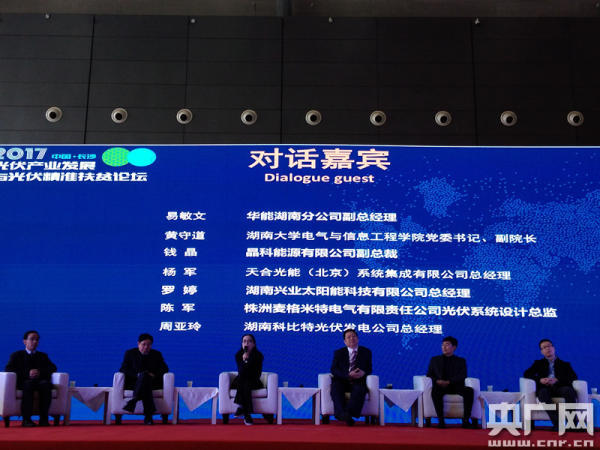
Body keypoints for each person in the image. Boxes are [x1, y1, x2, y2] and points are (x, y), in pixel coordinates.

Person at [5, 330, 57, 427]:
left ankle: (44, 419)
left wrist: (39, 372)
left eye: (37, 340)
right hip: (24, 382)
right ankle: (26, 420)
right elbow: (9, 369)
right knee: (28, 385)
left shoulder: (43, 356)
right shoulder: (17, 355)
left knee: (45, 385)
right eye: (32, 339)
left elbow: (53, 368)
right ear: (25, 341)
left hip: (39, 381)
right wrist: (27, 373)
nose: (35, 342)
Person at [523, 339, 577, 430]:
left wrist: (557, 380)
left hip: (560, 387)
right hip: (545, 388)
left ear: (553, 348)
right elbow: (527, 374)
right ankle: (558, 423)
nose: (547, 348)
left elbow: (573, 377)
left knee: (568, 390)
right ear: (541, 351)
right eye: (544, 347)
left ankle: (572, 424)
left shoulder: (565, 364)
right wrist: (540, 380)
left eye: (549, 346)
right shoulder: (538, 363)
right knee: (543, 393)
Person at [426, 336, 476, 429]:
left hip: (455, 386)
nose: (444, 347)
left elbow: (463, 375)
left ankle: (465, 420)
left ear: (454, 347)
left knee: (469, 391)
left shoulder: (461, 361)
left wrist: (449, 381)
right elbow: (429, 374)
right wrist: (437, 381)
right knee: (435, 392)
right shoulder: (435, 360)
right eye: (442, 345)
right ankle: (441, 421)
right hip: (440, 386)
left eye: (447, 345)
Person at [119, 333, 168, 425]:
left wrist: (153, 375)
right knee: (144, 377)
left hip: (152, 382)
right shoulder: (130, 353)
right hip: (134, 382)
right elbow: (123, 369)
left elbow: (165, 369)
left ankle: (135, 399)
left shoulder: (156, 354)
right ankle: (148, 416)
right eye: (144, 344)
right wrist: (138, 375)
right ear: (138, 344)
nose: (146, 347)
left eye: (149, 345)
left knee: (146, 378)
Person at [330, 328, 372, 426]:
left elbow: (369, 368)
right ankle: (344, 414)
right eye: (348, 337)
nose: (352, 338)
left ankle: (346, 414)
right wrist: (348, 375)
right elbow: (334, 369)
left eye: (354, 336)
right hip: (342, 380)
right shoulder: (339, 352)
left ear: (358, 339)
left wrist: (363, 373)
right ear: (345, 341)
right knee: (336, 388)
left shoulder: (366, 352)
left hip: (358, 380)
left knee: (360, 389)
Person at [231, 333, 264, 425]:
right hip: (242, 379)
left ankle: (242, 409)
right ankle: (247, 414)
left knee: (245, 383)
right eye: (244, 341)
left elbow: (255, 373)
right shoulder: (238, 355)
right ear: (242, 344)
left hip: (254, 381)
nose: (246, 343)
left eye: (249, 341)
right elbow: (241, 372)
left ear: (254, 344)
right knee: (244, 381)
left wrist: (248, 360)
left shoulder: (258, 355)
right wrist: (244, 360)